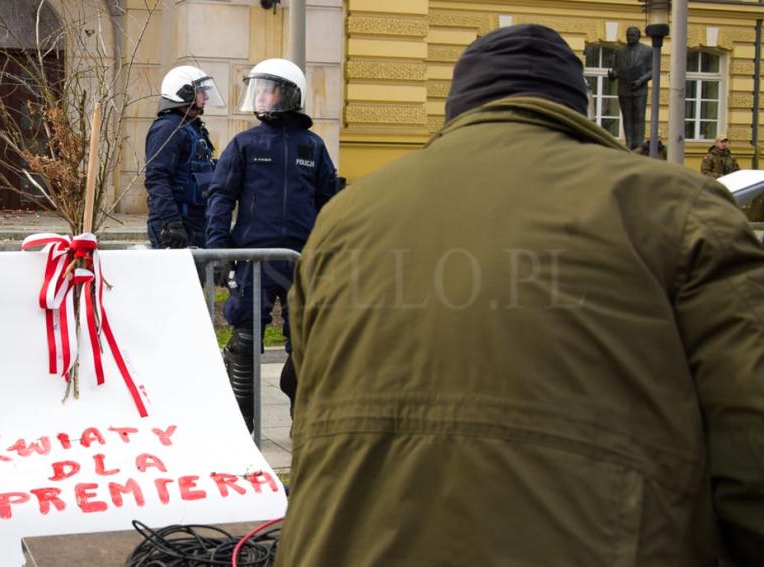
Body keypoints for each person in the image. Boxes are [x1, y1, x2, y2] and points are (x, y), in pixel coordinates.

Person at [276, 24, 764, 566]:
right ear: (576, 109)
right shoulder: (679, 208)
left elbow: (304, 393)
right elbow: (750, 445)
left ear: (457, 107)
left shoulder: (347, 217)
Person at [205, 58, 336, 432]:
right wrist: (220, 249)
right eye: (257, 88)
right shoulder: (245, 144)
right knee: (245, 339)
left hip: (300, 261)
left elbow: (329, 203)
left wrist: (328, 252)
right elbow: (220, 196)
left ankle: (304, 425)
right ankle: (240, 427)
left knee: (307, 344)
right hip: (252, 260)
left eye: (268, 88)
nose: (260, 95)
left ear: (290, 95)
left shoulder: (312, 147)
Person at [145, 65, 224, 249]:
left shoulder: (192, 127)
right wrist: (172, 222)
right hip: (176, 224)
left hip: (195, 221)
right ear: (184, 93)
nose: (205, 97)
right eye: (201, 92)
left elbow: (200, 166)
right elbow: (157, 178)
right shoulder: (167, 128)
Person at [608, 26, 652, 150]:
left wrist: (640, 81)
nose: (629, 37)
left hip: (640, 89)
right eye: (627, 35)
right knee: (627, 116)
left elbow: (652, 70)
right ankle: (629, 142)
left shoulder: (648, 51)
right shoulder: (619, 52)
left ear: (638, 36)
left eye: (632, 35)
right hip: (624, 88)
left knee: (639, 116)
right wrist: (613, 74)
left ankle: (639, 143)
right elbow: (616, 69)